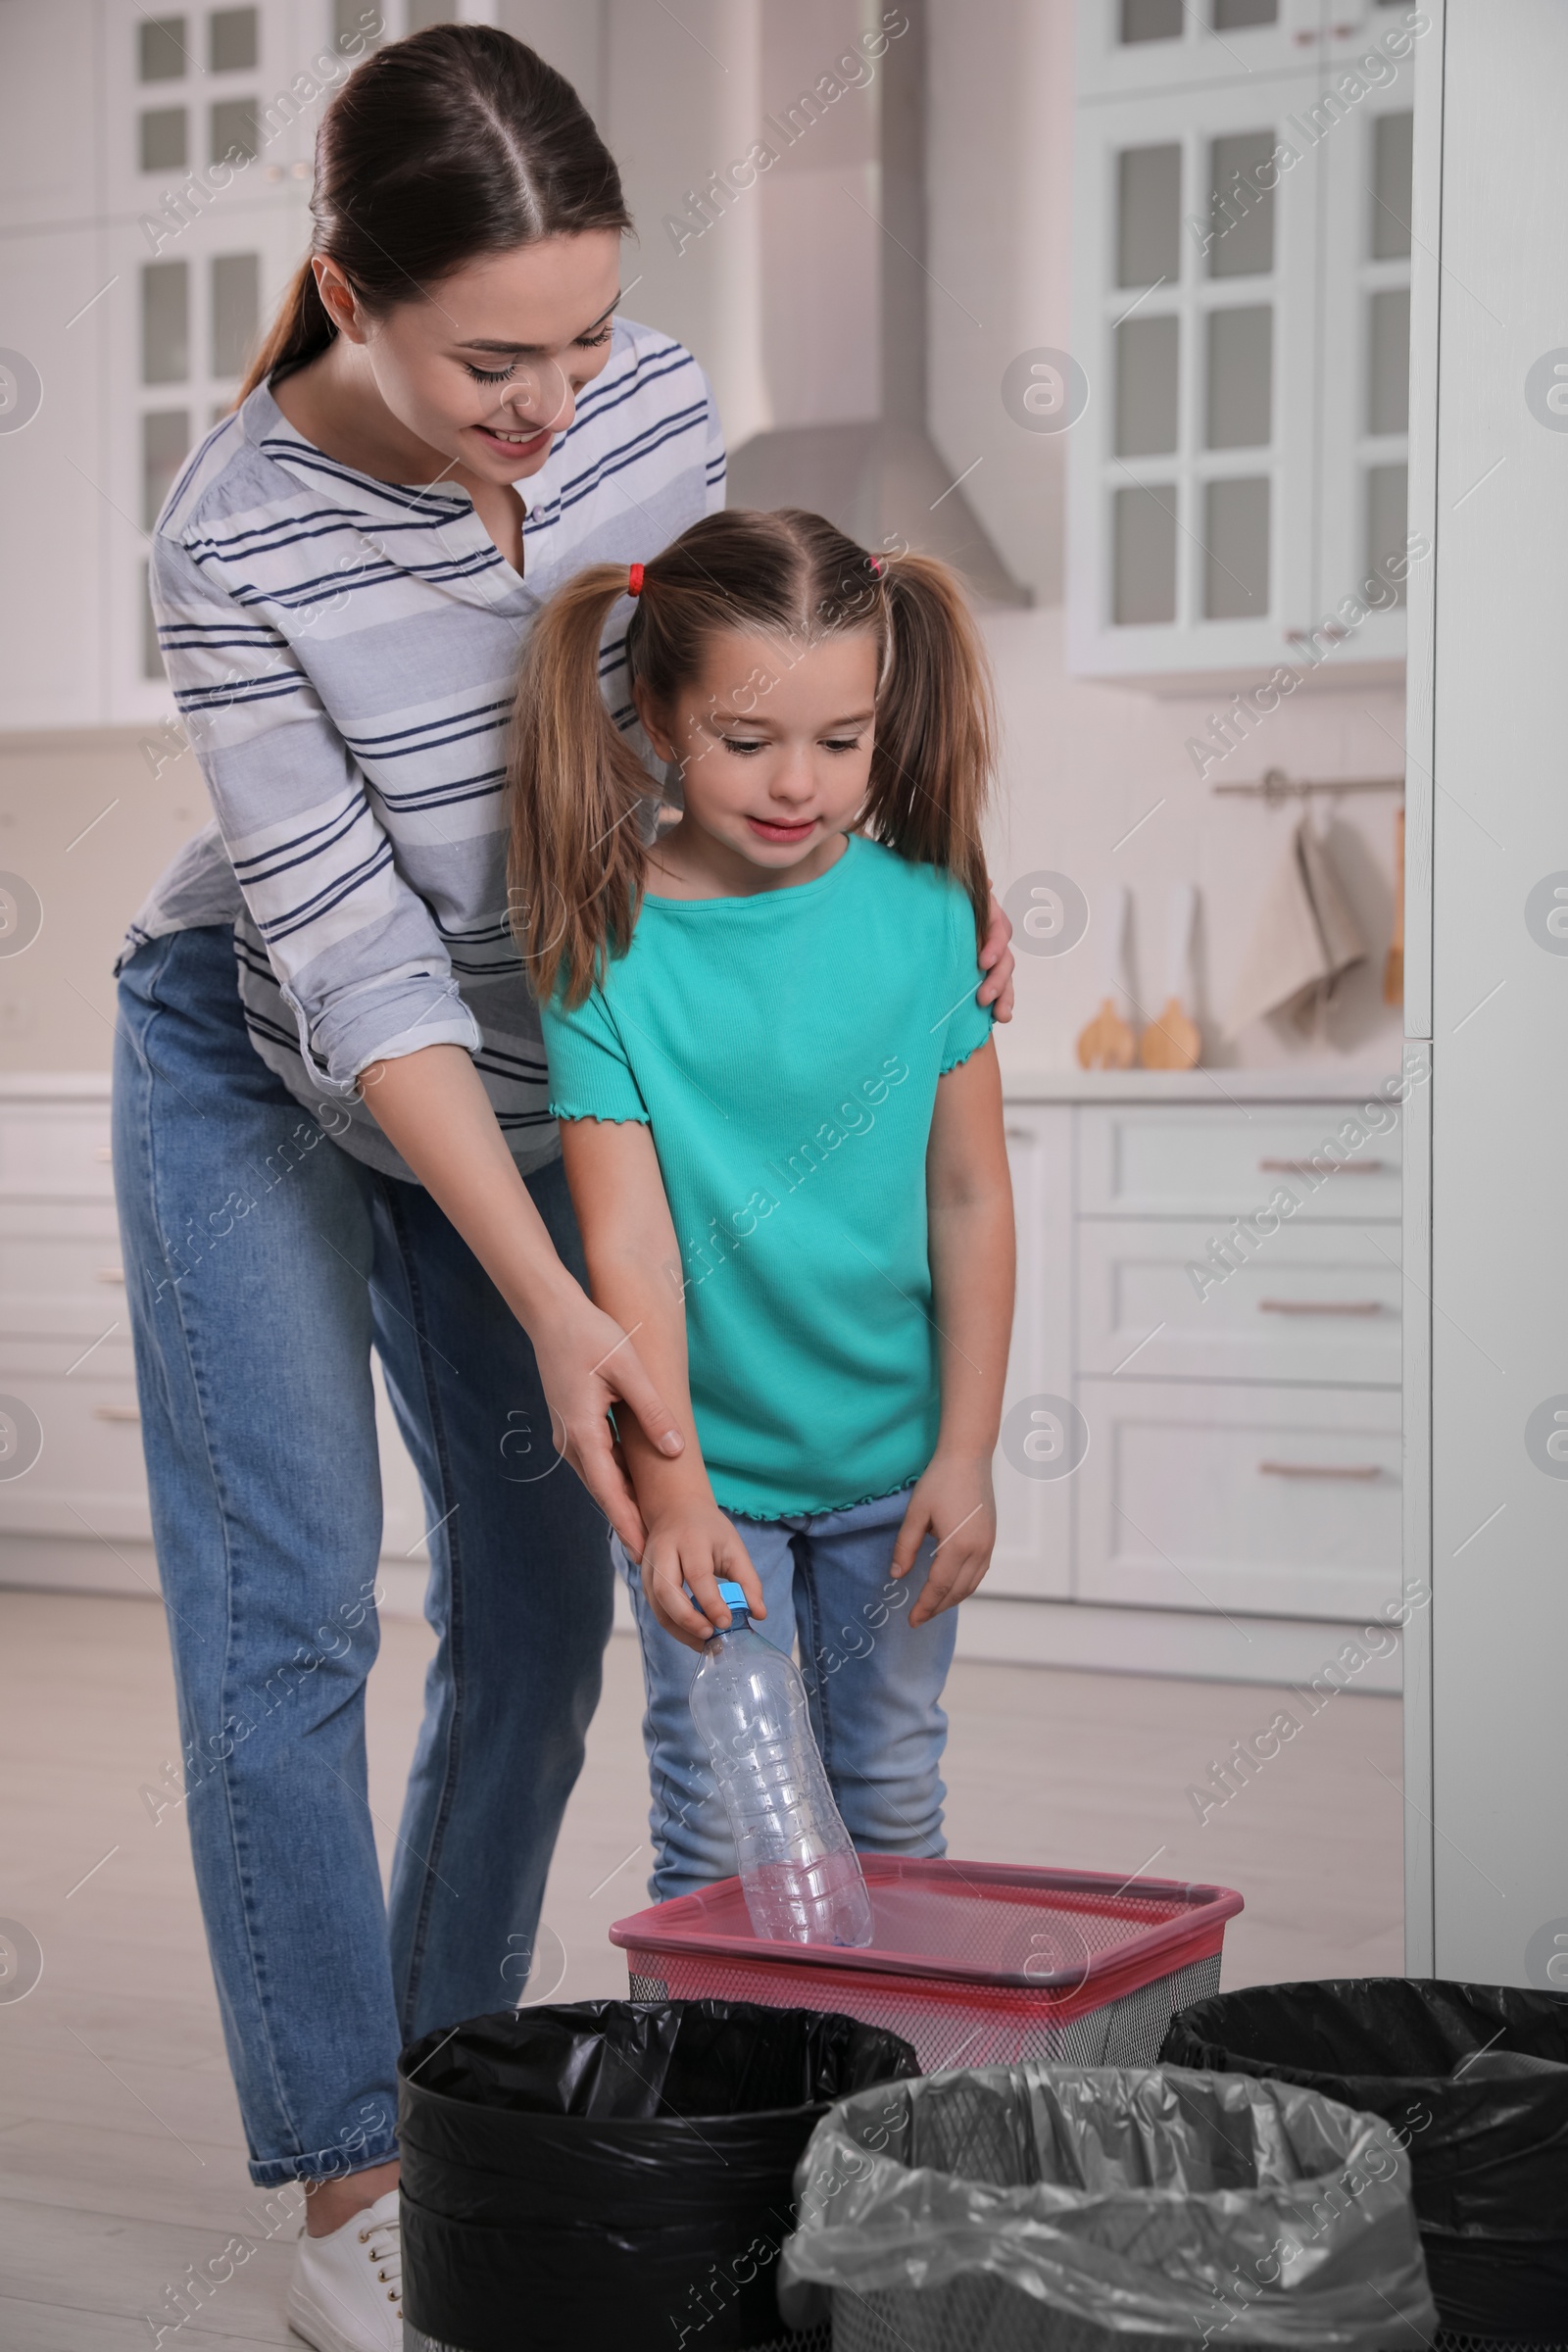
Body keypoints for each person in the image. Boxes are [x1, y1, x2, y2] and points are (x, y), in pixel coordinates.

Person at [111, 27, 1015, 2350]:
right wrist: (549, 1295)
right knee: (296, 1611)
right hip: (273, 1058)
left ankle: (457, 2085)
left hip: (536, 1082)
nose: (554, 400)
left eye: (585, 336)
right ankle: (347, 2181)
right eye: (489, 356)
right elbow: (352, 952)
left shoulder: (647, 408)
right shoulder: (229, 534)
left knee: (531, 1617)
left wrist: (899, 898)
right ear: (345, 289)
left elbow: (712, 743)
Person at [512, 509, 1016, 1900]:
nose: (799, 783)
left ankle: (890, 2114)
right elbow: (626, 1236)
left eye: (842, 742)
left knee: (893, 1805)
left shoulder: (927, 918)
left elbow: (971, 1196)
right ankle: (735, 2121)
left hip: (894, 1474)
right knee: (723, 1833)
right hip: (711, 1482)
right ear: (661, 714)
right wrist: (674, 1497)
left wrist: (966, 1451)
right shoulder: (604, 947)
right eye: (747, 741)